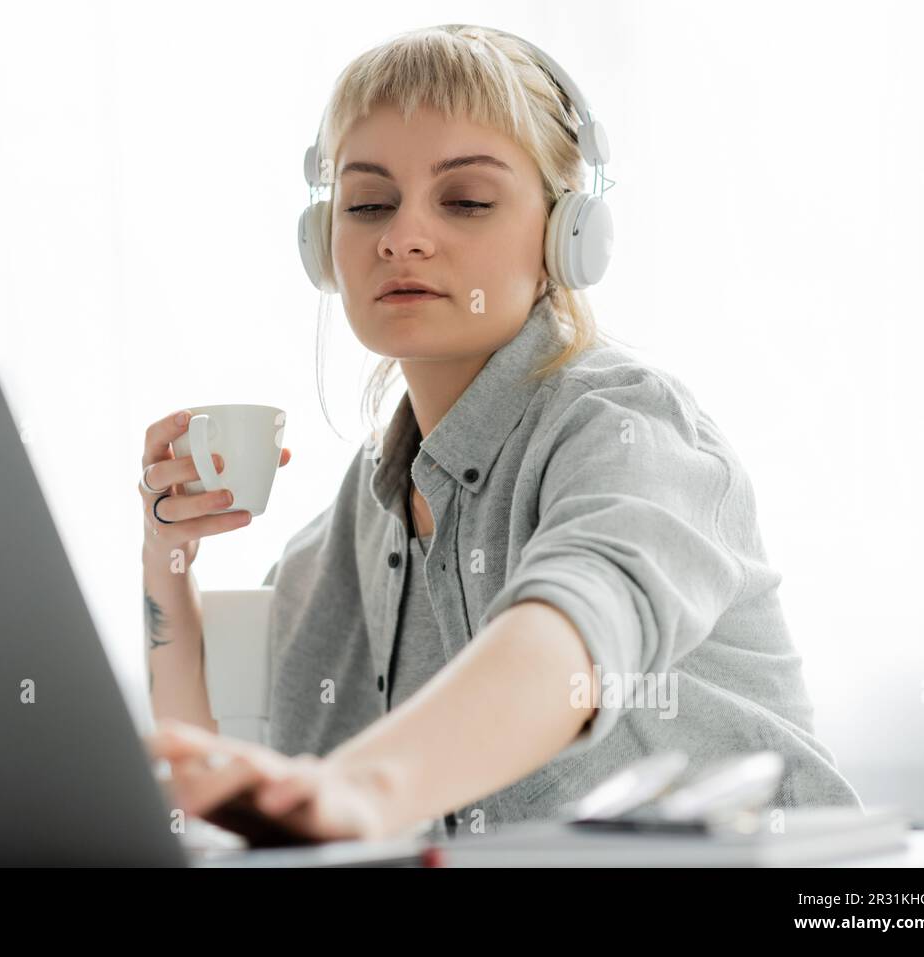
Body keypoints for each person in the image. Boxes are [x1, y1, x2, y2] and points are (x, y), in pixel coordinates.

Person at [139, 23, 861, 845]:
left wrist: (368, 786)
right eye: (367, 201)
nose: (401, 235)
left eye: (467, 201)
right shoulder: (366, 510)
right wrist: (166, 560)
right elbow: (221, 779)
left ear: (567, 238)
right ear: (324, 246)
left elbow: (568, 634)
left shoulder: (628, 431)